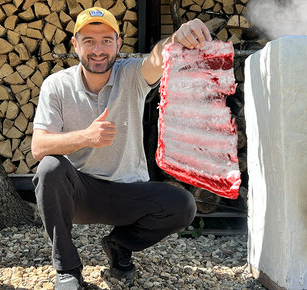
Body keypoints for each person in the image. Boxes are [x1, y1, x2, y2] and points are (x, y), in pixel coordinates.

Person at [31, 7, 212, 290]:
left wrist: (177, 37)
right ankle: (68, 270)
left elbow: (157, 58)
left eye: (106, 40)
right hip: (81, 194)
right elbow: (38, 146)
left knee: (183, 205)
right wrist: (86, 137)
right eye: (89, 40)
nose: (98, 49)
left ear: (119, 43)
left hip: (129, 194)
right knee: (49, 168)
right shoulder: (56, 85)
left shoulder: (131, 75)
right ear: (75, 44)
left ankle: (118, 246)